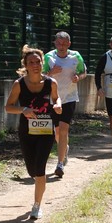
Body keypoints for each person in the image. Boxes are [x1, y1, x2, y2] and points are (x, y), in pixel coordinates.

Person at [5, 45, 62, 219]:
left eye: (38, 62)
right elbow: (8, 107)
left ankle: (37, 205)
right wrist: (23, 110)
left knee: (39, 169)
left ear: (42, 63)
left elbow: (55, 98)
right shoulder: (19, 85)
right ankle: (38, 185)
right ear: (26, 65)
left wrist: (58, 104)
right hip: (27, 132)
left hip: (46, 131)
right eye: (31, 62)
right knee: (31, 170)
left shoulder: (51, 83)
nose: (35, 65)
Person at [43, 31, 87, 178]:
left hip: (69, 97)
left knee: (63, 129)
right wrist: (51, 72)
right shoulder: (48, 57)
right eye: (58, 43)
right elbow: (40, 77)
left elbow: (84, 72)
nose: (61, 46)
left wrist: (78, 78)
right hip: (53, 98)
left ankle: (60, 164)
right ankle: (64, 148)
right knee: (57, 132)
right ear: (55, 43)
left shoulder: (76, 56)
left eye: (64, 43)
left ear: (69, 44)